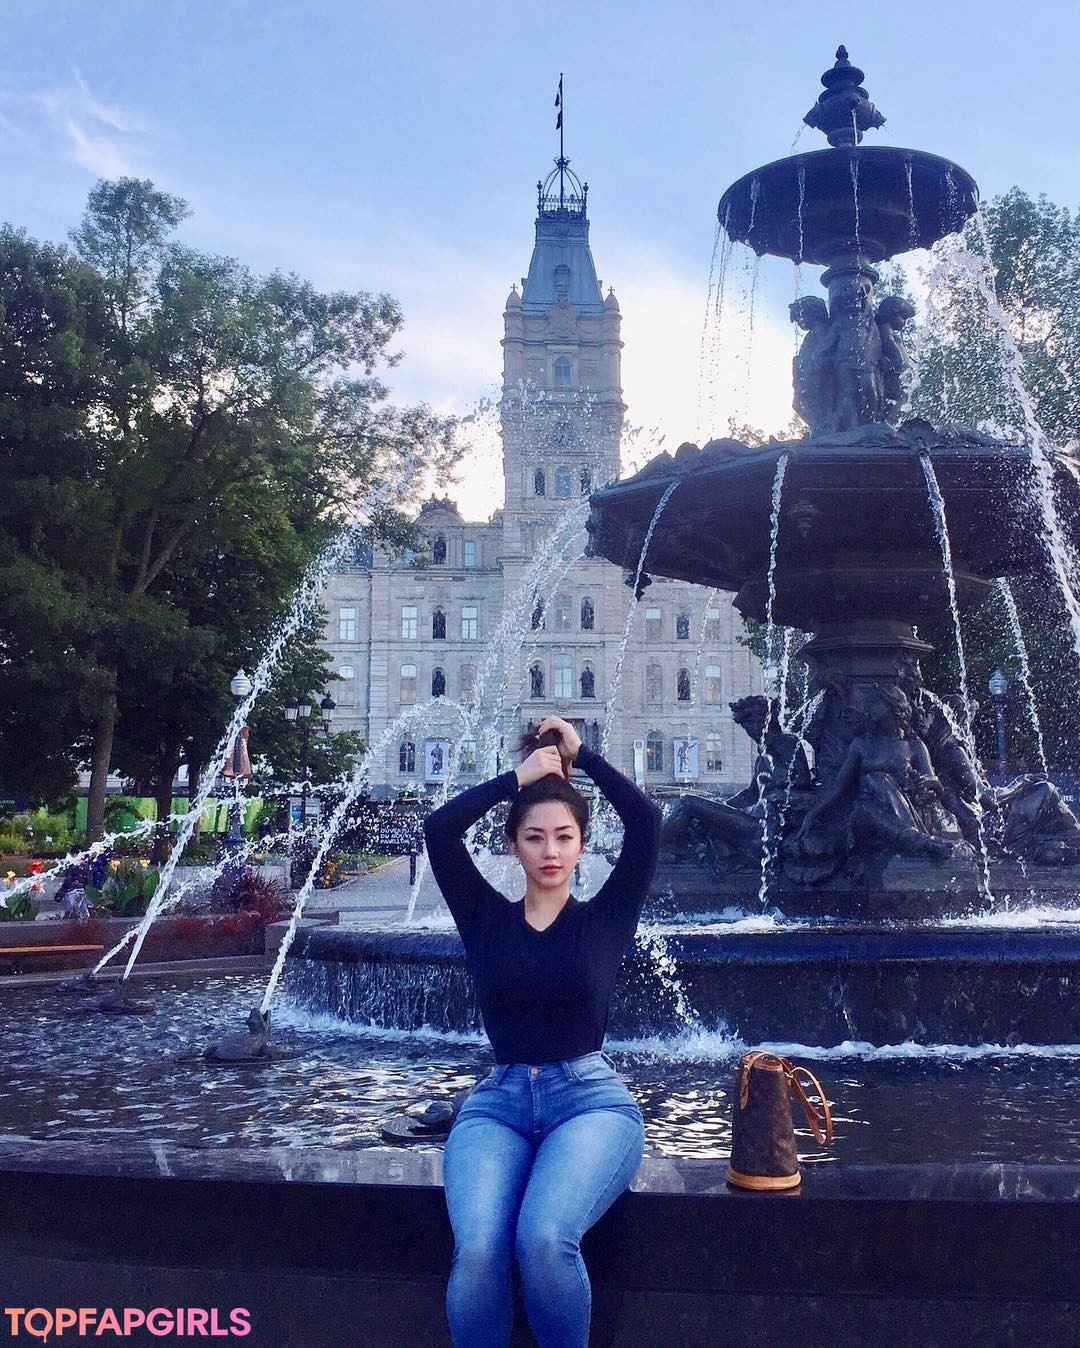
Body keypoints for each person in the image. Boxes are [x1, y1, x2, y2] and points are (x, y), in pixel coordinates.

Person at [423, 715, 662, 1348]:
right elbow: (439, 830)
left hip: (590, 1103)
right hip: (497, 1104)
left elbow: (646, 822)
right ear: (514, 846)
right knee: (479, 1250)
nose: (550, 852)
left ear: (582, 844)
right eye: (534, 838)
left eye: (564, 837)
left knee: (544, 1238)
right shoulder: (483, 917)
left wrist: (584, 756)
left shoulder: (607, 917)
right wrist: (517, 778)